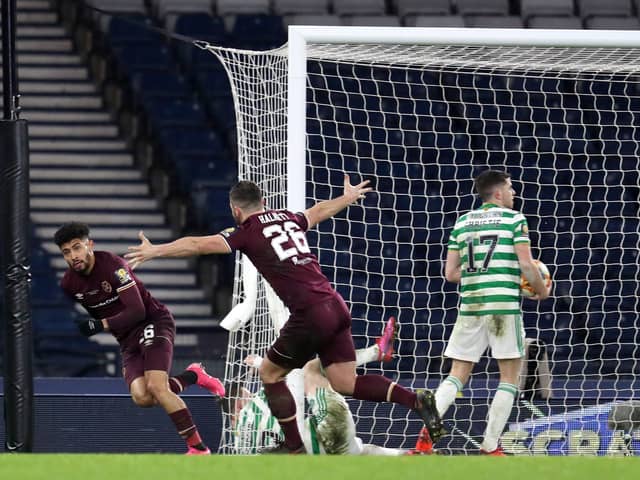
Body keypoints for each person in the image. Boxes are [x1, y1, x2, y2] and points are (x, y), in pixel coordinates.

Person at [125, 175, 446, 453]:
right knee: (345, 382)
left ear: (235, 210)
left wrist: (157, 250)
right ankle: (415, 400)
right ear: (264, 201)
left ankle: (293, 446)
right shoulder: (287, 217)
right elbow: (317, 212)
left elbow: (198, 244)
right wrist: (346, 198)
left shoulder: (246, 231)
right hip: (336, 304)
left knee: (269, 373)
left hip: (309, 313)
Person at [54, 222, 225, 455]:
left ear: (90, 245)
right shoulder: (69, 284)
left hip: (152, 321)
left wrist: (101, 324)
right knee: (143, 397)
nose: (73, 256)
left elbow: (137, 311)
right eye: (66, 252)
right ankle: (194, 375)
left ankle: (198, 449)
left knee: (157, 387)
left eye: (77, 247)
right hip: (126, 338)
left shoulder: (114, 267)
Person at [414, 170, 551, 456]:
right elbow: (527, 266)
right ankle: (490, 445)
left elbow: (450, 273)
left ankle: (425, 437)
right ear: (498, 193)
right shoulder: (515, 220)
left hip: (472, 306)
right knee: (509, 378)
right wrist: (541, 289)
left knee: (456, 375)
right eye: (511, 188)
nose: (514, 193)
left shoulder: (463, 223)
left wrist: (482, 272)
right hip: (502, 307)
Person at [227, 317, 411, 455]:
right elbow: (288, 378)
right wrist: (261, 364)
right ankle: (376, 352)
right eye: (246, 395)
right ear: (237, 405)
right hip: (323, 436)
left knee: (363, 452)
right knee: (312, 369)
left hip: (316, 462)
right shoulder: (253, 408)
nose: (251, 396)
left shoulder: (239, 447)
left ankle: (411, 454)